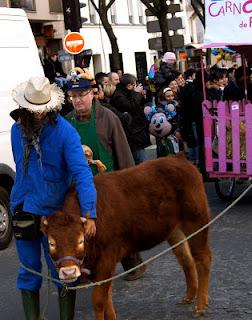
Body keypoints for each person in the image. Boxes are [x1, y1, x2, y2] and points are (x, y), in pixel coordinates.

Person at [10, 76, 97, 320]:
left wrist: (90, 213)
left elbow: (82, 172)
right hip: (24, 208)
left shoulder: (65, 132)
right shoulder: (17, 130)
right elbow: (23, 169)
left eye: (42, 110)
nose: (38, 114)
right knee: (28, 269)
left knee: (63, 268)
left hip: (56, 214)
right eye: (33, 110)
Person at [65, 68, 146, 280]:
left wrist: (130, 185)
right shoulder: (66, 123)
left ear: (92, 94)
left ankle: (133, 263)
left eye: (82, 95)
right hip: (79, 187)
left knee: (116, 229)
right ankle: (86, 269)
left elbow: (123, 153)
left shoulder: (108, 118)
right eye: (73, 96)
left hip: (108, 186)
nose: (77, 100)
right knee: (82, 230)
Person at [111, 73, 150, 165]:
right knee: (140, 162)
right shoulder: (119, 96)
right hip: (133, 134)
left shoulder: (128, 93)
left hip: (138, 132)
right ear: (129, 85)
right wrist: (137, 94)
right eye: (134, 84)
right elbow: (131, 107)